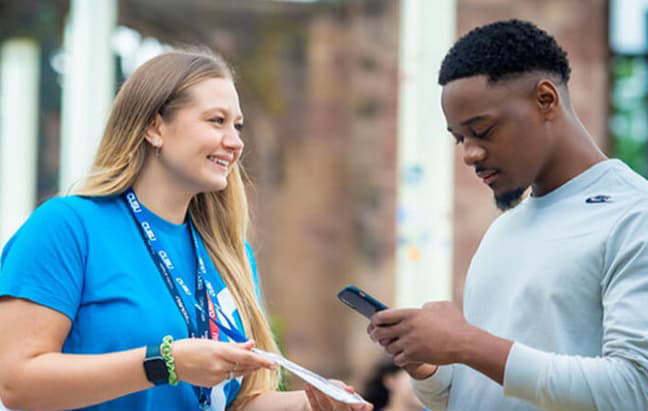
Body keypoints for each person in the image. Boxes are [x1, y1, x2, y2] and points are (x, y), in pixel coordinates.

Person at [0, 49, 371, 411]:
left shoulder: (231, 254)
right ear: (155, 127)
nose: (236, 142)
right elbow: (15, 382)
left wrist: (308, 403)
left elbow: (228, 402)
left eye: (237, 125)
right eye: (216, 121)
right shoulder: (68, 227)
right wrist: (166, 363)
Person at [367, 19, 648, 411]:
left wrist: (464, 342)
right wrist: (432, 368)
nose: (469, 154)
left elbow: (636, 391)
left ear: (546, 99)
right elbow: (482, 394)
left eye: (483, 131)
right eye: (460, 138)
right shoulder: (502, 232)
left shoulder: (642, 218)